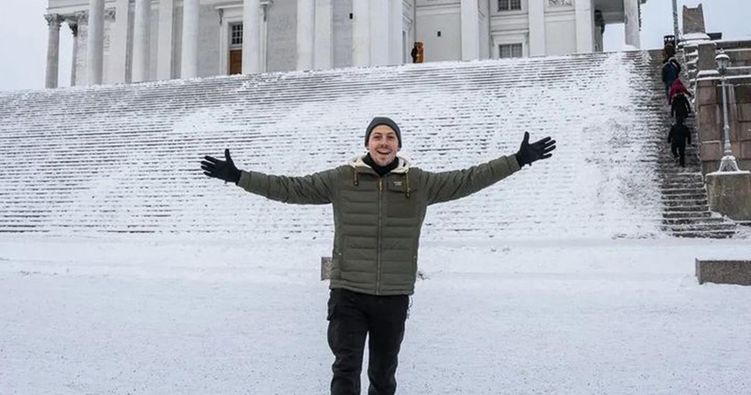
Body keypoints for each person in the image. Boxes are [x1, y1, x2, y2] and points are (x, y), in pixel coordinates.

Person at [201, 117, 556, 395]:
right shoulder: (342, 179)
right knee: (345, 369)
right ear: (367, 143)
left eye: (389, 137)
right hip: (348, 293)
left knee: (384, 376)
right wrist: (239, 177)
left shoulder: (419, 183)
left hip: (392, 295)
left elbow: (469, 179)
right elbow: (291, 189)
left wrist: (518, 160)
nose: (383, 142)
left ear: (398, 144)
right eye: (377, 137)